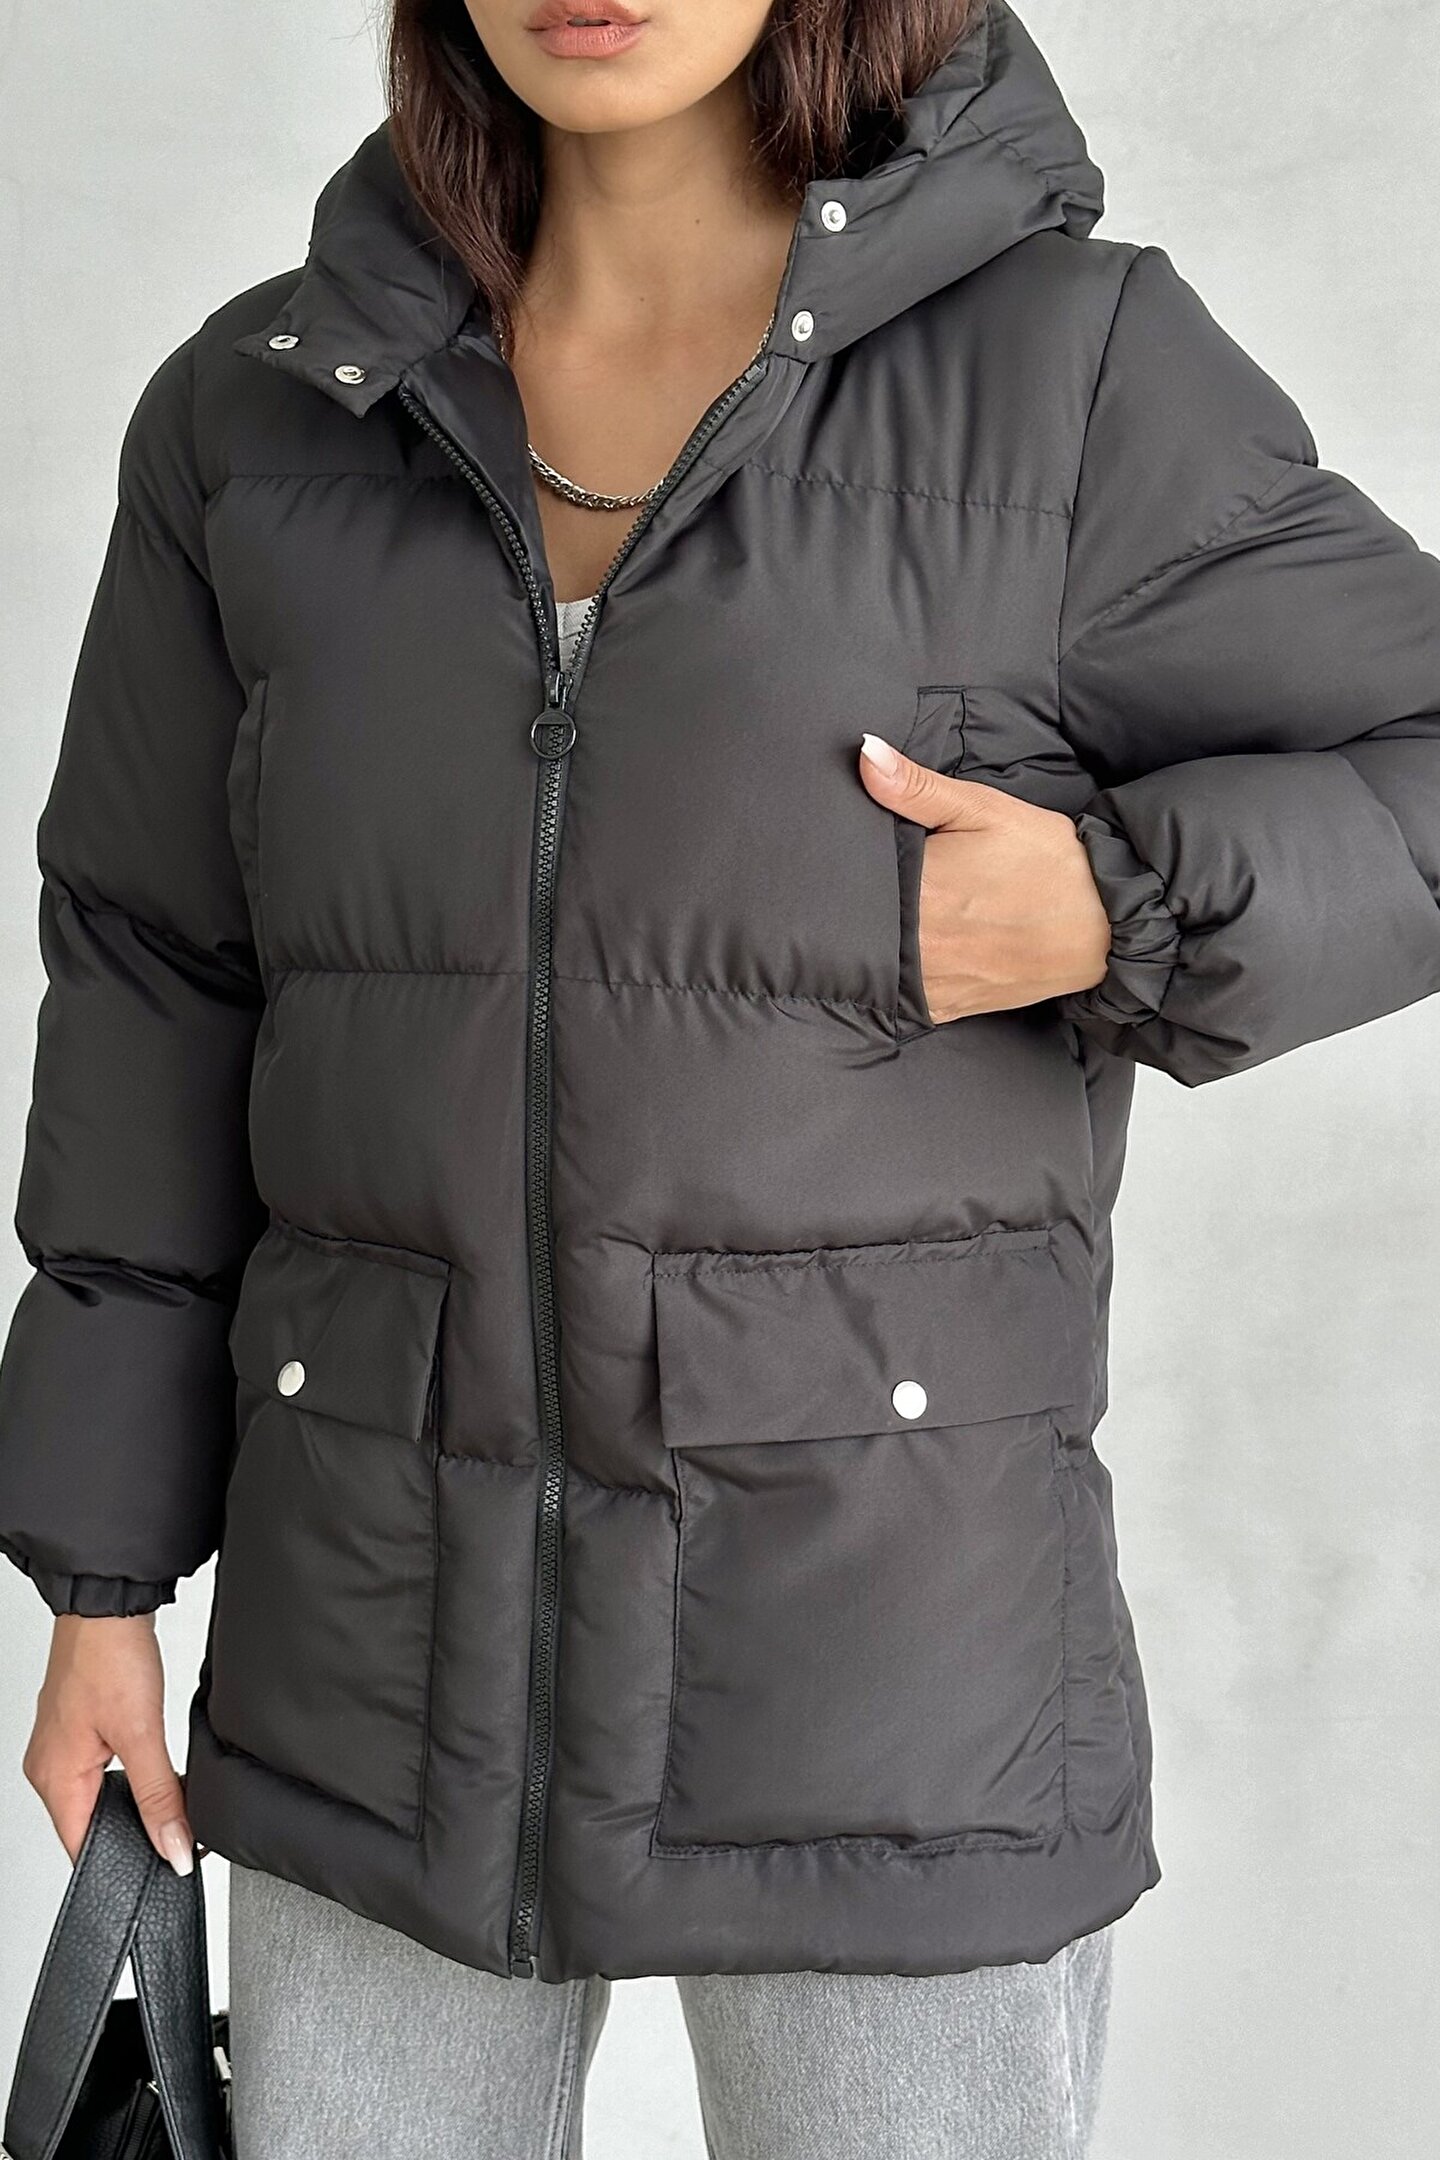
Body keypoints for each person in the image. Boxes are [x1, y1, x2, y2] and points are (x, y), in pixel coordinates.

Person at [2, 0, 1437, 2153]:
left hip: (895, 1673)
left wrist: (1117, 904)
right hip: (371, 1657)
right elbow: (155, 985)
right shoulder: (264, 410)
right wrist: (102, 1588)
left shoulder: (1072, 374)